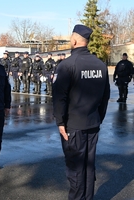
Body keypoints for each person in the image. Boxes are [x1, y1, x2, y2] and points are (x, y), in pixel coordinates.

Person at [52, 24, 110, 200]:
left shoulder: (67, 65)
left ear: (75, 40)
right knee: (89, 165)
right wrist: (98, 117)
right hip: (93, 122)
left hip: (73, 126)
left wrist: (60, 122)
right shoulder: (100, 65)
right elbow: (105, 96)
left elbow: (59, 98)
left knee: (76, 167)